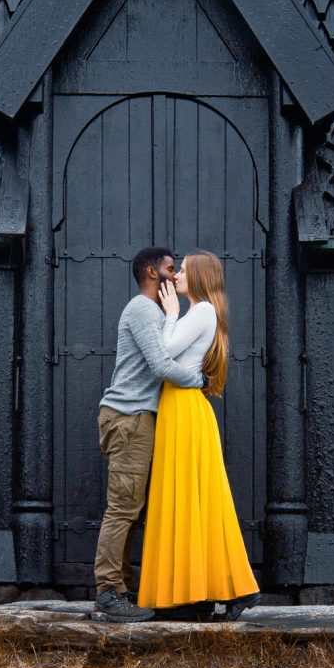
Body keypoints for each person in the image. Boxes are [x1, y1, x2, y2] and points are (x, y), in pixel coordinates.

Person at [138, 251, 259, 616]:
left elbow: (166, 351)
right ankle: (203, 594)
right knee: (191, 502)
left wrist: (171, 315)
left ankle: (224, 590)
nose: (176, 277)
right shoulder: (202, 312)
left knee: (188, 500)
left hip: (186, 409)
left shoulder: (202, 311)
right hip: (182, 408)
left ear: (202, 277)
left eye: (185, 270)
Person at [92, 244, 178, 620]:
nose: (174, 276)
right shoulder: (143, 309)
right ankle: (109, 593)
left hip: (135, 418)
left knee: (132, 509)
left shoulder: (152, 310)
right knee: (123, 508)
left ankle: (123, 589)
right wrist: (203, 380)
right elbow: (161, 364)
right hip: (129, 417)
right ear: (150, 271)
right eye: (170, 269)